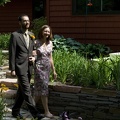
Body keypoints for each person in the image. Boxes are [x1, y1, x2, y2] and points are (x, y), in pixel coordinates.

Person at [9, 14, 44, 120]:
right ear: (20, 23)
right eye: (24, 21)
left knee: (22, 90)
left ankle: (15, 111)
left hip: (29, 67)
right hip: (19, 67)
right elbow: (12, 52)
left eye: (28, 20)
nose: (27, 22)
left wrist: (34, 58)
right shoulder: (15, 35)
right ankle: (35, 113)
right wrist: (12, 69)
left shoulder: (31, 35)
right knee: (27, 89)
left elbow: (33, 51)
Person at [34, 25, 57, 118]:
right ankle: (46, 111)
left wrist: (54, 70)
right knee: (43, 89)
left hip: (46, 69)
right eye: (45, 31)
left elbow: (50, 58)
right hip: (38, 68)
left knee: (38, 90)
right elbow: (32, 54)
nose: (47, 33)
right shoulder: (36, 42)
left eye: (48, 32)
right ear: (41, 32)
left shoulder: (50, 43)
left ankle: (31, 107)